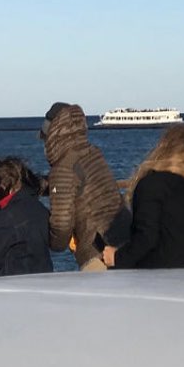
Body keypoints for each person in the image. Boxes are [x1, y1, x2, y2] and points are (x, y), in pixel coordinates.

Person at [110, 124, 184, 269]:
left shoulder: (153, 185)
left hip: (171, 278)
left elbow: (146, 239)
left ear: (165, 150)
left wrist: (116, 257)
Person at [40, 102, 127, 271]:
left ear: (51, 134)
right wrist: (44, 185)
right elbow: (79, 183)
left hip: (97, 252)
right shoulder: (93, 152)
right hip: (121, 240)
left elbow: (61, 225)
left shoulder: (63, 167)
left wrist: (50, 242)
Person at [0, 156, 52, 277]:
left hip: (13, 284)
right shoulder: (41, 209)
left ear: (4, 187)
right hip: (43, 280)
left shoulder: (7, 216)